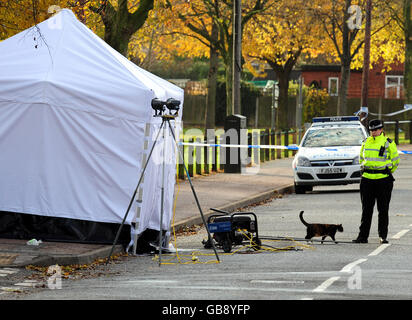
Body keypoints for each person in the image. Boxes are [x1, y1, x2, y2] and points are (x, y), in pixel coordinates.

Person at [353, 119, 400, 244]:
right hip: (367, 179)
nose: (373, 132)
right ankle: (362, 237)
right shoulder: (365, 142)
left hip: (383, 180)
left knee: (383, 209)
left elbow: (395, 161)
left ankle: (383, 236)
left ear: (381, 130)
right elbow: (361, 158)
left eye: (376, 130)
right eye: (371, 130)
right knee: (366, 210)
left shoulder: (388, 143)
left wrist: (386, 170)